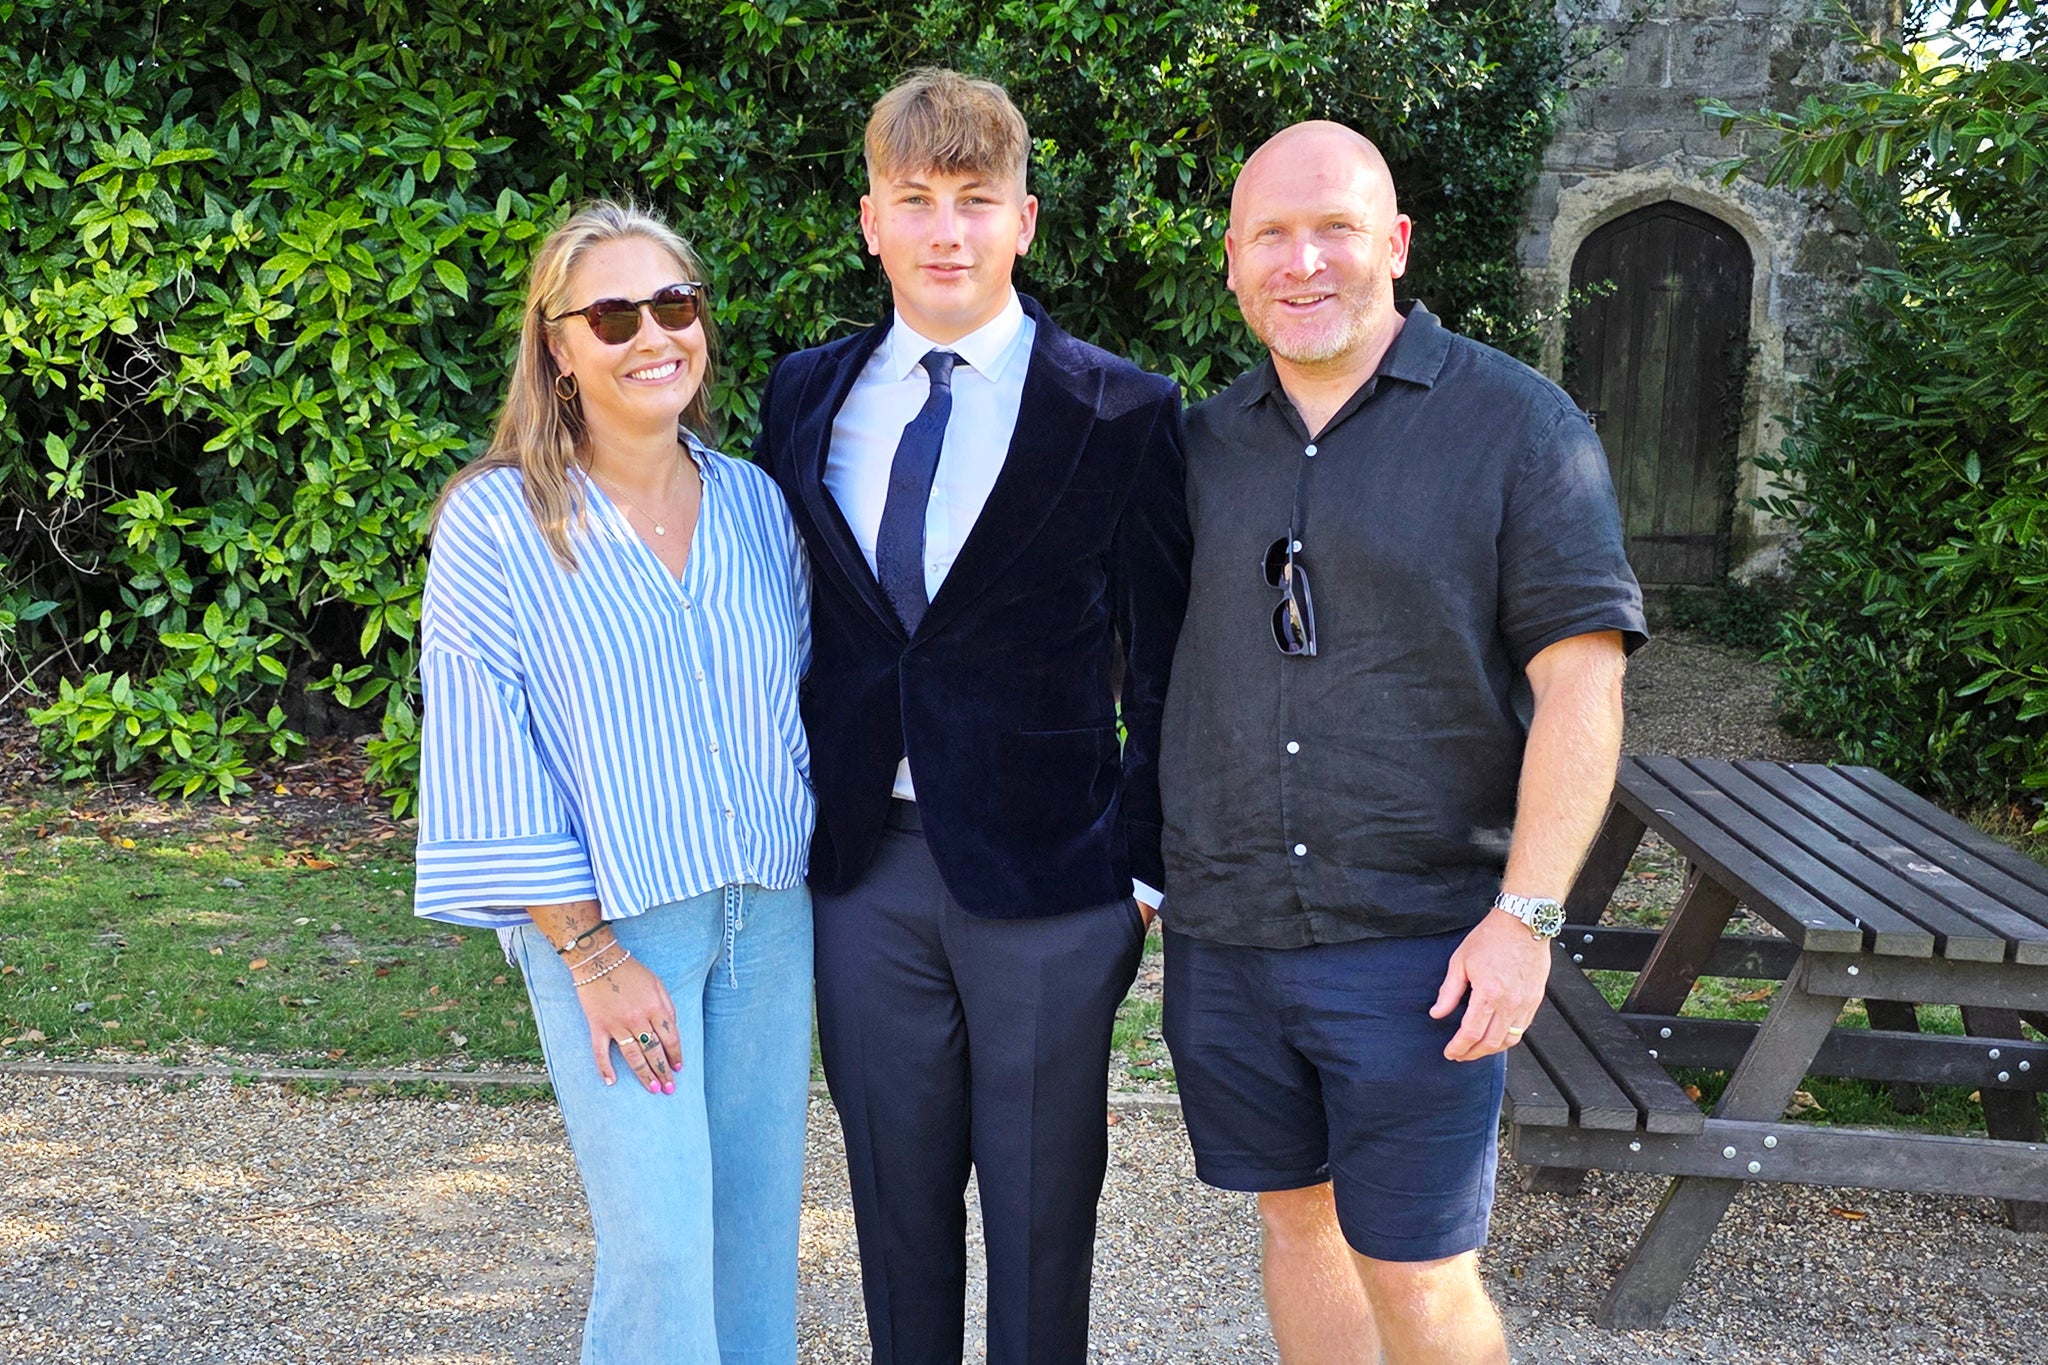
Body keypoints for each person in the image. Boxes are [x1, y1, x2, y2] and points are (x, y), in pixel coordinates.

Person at [1157, 122, 1647, 1364]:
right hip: (1231, 931)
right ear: (1229, 261)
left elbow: (1583, 691)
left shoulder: (1518, 430)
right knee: (1295, 1221)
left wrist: (1526, 919)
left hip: (1421, 941)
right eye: (1270, 234)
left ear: (1395, 242)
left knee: (1419, 1273)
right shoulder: (1199, 450)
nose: (1302, 260)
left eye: (1333, 228)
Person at [751, 68, 1191, 1365]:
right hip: (861, 873)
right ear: (872, 219)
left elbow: (1164, 651)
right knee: (895, 1215)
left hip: (1054, 884)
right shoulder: (807, 395)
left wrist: (1147, 870)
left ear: (1025, 221)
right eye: (917, 199)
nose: (948, 229)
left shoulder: (1121, 409)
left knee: (1045, 1222)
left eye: (976, 200)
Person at [411, 201, 816, 1365]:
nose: (653, 336)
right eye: (614, 313)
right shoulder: (497, 521)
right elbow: (485, 753)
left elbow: (797, 700)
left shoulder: (753, 503)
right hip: (613, 933)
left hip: (767, 921)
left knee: (751, 1240)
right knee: (655, 1250)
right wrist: (588, 954)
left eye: (674, 305)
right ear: (558, 345)